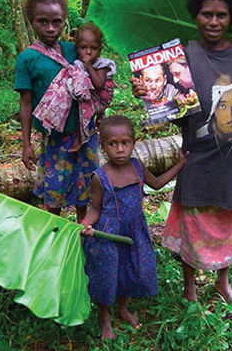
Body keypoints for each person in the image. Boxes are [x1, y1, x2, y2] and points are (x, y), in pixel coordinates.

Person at [130, 0, 232, 306]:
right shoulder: (180, 58)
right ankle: (190, 286)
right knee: (195, 219)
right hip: (199, 155)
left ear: (231, 18)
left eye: (221, 15)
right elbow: (172, 110)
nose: (214, 22)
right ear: (194, 17)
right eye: (206, 14)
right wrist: (148, 93)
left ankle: (222, 282)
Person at [80, 115, 188, 340]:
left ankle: (122, 308)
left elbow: (157, 184)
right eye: (112, 144)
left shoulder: (137, 167)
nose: (120, 149)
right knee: (107, 274)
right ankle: (104, 317)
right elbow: (95, 209)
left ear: (133, 143)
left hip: (135, 231)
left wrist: (179, 165)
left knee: (131, 268)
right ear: (103, 146)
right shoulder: (100, 177)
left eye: (125, 143)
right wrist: (85, 224)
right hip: (108, 235)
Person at [14, 0, 99, 222]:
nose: (51, 28)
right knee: (55, 192)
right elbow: (26, 103)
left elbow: (95, 82)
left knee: (85, 187)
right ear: (31, 21)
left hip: (84, 134)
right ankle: (55, 235)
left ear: (64, 21)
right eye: (43, 21)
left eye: (57, 22)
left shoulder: (76, 50)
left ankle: (83, 234)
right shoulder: (28, 58)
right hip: (55, 138)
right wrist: (26, 145)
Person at [69, 22, 116, 152]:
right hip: (90, 95)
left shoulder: (102, 64)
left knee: (83, 109)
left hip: (102, 97)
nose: (88, 52)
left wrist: (89, 66)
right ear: (77, 49)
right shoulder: (77, 63)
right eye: (83, 47)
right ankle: (99, 121)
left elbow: (99, 84)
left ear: (100, 50)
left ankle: (81, 137)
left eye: (93, 48)